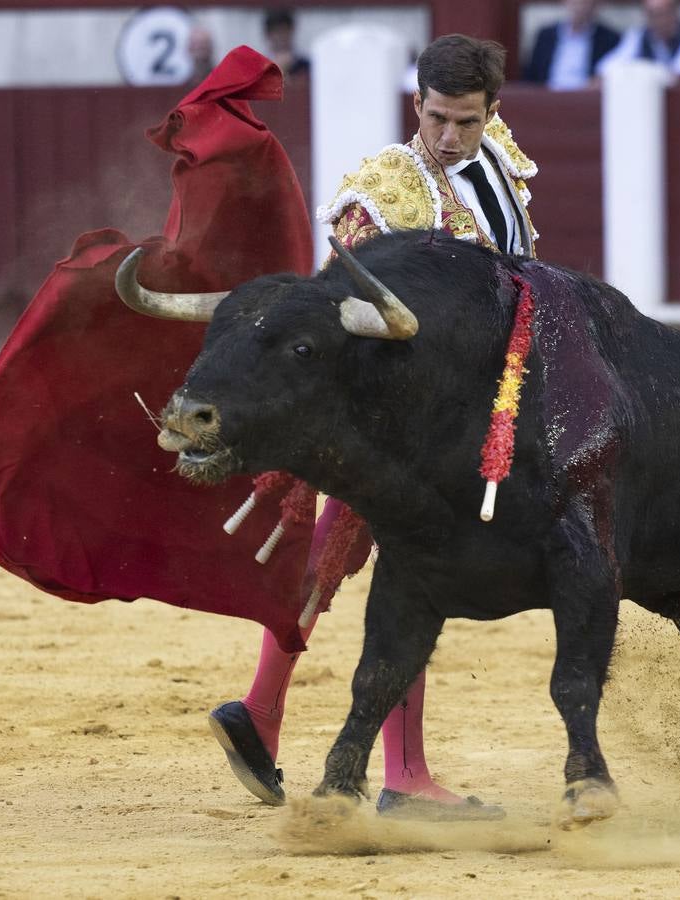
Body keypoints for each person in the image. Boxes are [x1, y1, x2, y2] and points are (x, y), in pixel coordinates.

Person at [208, 33, 538, 821]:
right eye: (436, 118)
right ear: (415, 103)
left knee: (338, 562)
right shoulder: (383, 192)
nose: (449, 136)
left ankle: (260, 713)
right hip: (393, 421)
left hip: (463, 413)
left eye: (466, 121)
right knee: (406, 577)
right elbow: (344, 321)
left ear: (491, 112)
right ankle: (402, 774)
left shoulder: (498, 163)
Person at [596, 0, 680, 84]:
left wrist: (642, 72)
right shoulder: (638, 35)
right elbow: (609, 65)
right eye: (652, 15)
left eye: (661, 13)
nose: (657, 20)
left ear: (673, 12)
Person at [522, 0, 621, 91]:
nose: (579, 6)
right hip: (547, 98)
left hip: (585, 99)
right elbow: (531, 77)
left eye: (584, 2)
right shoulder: (545, 35)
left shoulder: (610, 39)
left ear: (596, 4)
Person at [263, 7, 310, 79]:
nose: (281, 36)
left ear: (292, 31)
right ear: (268, 34)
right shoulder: (260, 67)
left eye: (284, 31)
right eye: (277, 32)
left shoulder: (306, 65)